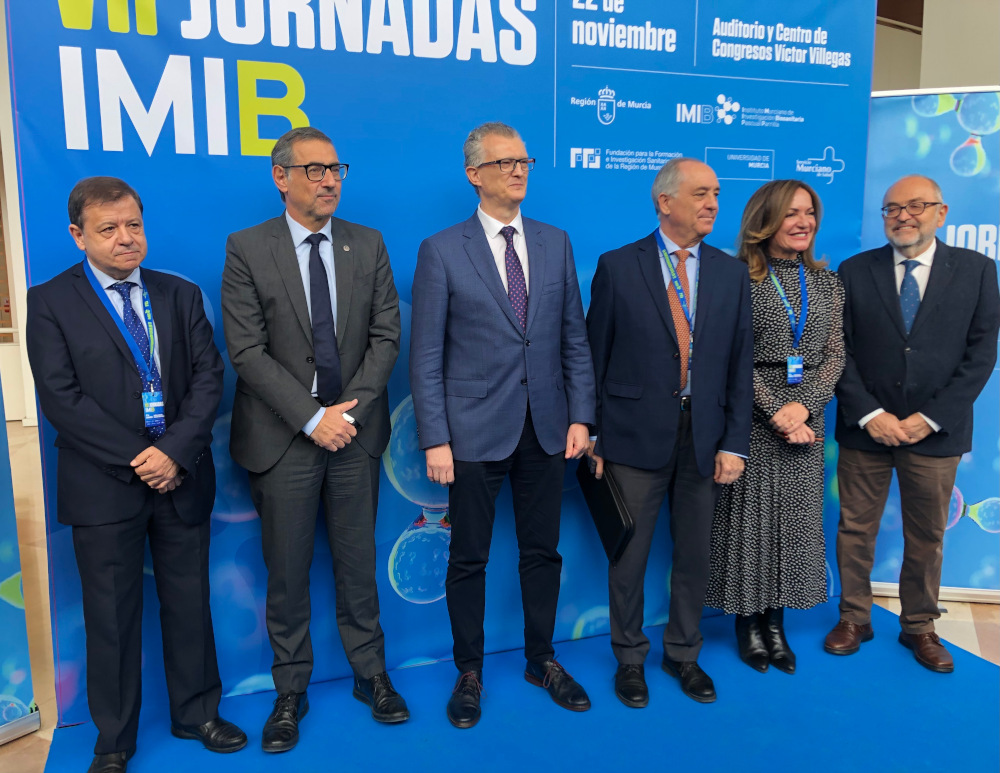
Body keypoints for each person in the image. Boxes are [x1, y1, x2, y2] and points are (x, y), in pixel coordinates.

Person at [26, 177, 246, 773]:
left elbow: (209, 378)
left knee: (189, 604)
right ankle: (115, 741)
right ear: (78, 236)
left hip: (181, 478)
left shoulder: (177, 294)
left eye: (133, 226)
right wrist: (139, 458)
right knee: (112, 620)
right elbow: (61, 400)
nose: (126, 240)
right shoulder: (49, 302)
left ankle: (198, 713)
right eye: (108, 229)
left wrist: (172, 451)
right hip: (105, 489)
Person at [221, 126, 406, 752]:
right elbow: (245, 349)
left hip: (354, 434)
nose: (330, 181)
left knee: (358, 566)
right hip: (284, 439)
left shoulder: (368, 243)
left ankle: (371, 675)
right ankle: (290, 690)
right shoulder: (247, 248)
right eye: (316, 170)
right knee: (288, 572)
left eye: (337, 169)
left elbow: (386, 336)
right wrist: (311, 417)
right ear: (281, 177)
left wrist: (346, 414)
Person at [410, 121, 596, 729]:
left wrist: (581, 417)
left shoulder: (555, 242)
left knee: (543, 551)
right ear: (475, 174)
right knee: (469, 556)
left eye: (525, 160)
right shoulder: (441, 250)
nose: (519, 170)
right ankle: (469, 671)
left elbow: (574, 337)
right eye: (506, 161)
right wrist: (436, 437)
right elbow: (427, 356)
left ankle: (542, 660)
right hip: (470, 432)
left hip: (545, 428)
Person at [586, 158, 753, 707]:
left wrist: (734, 442)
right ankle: (629, 658)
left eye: (717, 194)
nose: (713, 204)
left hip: (704, 440)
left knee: (695, 555)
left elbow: (738, 365)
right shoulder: (617, 266)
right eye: (701, 193)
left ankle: (684, 654)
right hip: (633, 436)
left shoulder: (730, 274)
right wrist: (593, 435)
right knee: (628, 556)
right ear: (665, 202)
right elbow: (594, 356)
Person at [826, 174, 999, 672]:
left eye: (916, 206)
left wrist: (929, 418)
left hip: (936, 432)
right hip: (866, 431)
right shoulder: (854, 271)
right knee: (856, 529)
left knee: (927, 535)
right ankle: (854, 618)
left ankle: (919, 626)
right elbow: (840, 350)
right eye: (892, 208)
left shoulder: (978, 270)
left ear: (940, 213)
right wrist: (872, 414)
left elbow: (981, 354)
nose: (903, 215)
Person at [705, 180, 845, 675]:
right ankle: (747, 624)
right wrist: (776, 409)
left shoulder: (828, 284)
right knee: (751, 526)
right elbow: (727, 359)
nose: (803, 222)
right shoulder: (737, 277)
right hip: (751, 417)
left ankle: (777, 624)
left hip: (806, 422)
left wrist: (803, 407)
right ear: (766, 221)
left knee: (793, 527)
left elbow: (833, 355)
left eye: (809, 213)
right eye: (791, 214)